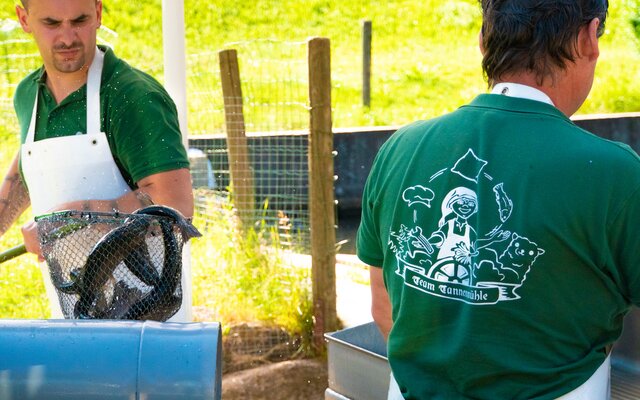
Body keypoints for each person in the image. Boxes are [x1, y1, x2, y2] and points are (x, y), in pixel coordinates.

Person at [357, 0, 640, 398]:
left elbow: (385, 307)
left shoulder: (399, 149)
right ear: (589, 38)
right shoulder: (618, 175)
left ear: (483, 41)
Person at [0, 0, 194, 322]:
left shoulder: (131, 97)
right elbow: (29, 166)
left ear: (99, 13)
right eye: (51, 23)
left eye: (79, 20)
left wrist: (61, 224)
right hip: (73, 308)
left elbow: (173, 202)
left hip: (149, 316)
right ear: (24, 19)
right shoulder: (28, 95)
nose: (67, 38)